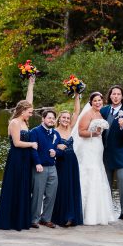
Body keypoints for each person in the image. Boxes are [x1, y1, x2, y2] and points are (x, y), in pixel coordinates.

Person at [0, 79, 38, 231]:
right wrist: (32, 144)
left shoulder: (24, 121)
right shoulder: (14, 123)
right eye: (30, 112)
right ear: (23, 111)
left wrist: (31, 84)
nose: (31, 114)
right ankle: (10, 220)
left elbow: (28, 102)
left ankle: (21, 219)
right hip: (17, 158)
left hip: (25, 159)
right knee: (15, 187)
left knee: (23, 187)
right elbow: (17, 143)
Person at [72, 92, 117, 225]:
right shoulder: (88, 114)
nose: (98, 102)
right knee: (89, 173)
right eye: (95, 100)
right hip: (88, 148)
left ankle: (99, 213)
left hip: (98, 148)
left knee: (99, 174)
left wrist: (98, 133)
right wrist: (94, 133)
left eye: (100, 100)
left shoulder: (99, 114)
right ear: (91, 102)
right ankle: (84, 212)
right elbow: (80, 132)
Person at [100, 85, 123, 223]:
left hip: (122, 156)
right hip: (105, 155)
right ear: (110, 96)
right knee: (105, 185)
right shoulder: (103, 111)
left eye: (118, 94)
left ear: (122, 97)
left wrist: (122, 127)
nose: (115, 96)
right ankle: (106, 213)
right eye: (113, 94)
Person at [51, 94, 84, 227]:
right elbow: (49, 146)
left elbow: (77, 111)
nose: (66, 120)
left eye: (67, 118)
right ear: (59, 119)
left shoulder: (71, 128)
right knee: (62, 187)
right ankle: (61, 216)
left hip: (72, 161)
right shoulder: (54, 131)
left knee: (72, 187)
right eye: (63, 118)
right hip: (61, 162)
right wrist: (57, 146)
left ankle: (71, 216)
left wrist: (76, 94)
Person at [29, 109, 64, 228]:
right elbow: (32, 150)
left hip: (52, 167)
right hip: (40, 167)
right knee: (37, 194)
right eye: (49, 118)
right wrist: (37, 163)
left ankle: (46, 218)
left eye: (53, 118)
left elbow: (60, 149)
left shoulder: (55, 133)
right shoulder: (35, 131)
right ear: (43, 119)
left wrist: (56, 153)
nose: (51, 120)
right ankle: (34, 219)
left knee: (51, 194)